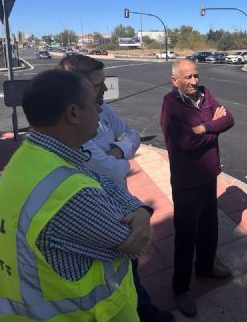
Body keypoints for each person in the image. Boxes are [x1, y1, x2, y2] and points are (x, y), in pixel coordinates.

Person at [0, 69, 152, 321]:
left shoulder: (33, 156)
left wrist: (140, 210)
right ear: (73, 113)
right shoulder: (69, 195)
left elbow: (104, 182)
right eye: (93, 103)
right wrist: (141, 216)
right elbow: (134, 243)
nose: (100, 110)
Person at [57, 54, 173, 322]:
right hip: (101, 208)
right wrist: (119, 159)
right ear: (79, 88)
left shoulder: (103, 110)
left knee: (129, 268)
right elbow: (111, 170)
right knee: (120, 264)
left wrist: (116, 152)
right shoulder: (72, 129)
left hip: (118, 198)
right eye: (99, 85)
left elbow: (132, 137)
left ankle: (142, 309)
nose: (105, 90)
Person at [160, 59, 234, 317]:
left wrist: (204, 127)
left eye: (195, 76)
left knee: (209, 226)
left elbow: (229, 119)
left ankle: (206, 267)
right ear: (175, 81)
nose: (193, 82)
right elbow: (186, 142)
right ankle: (181, 288)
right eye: (187, 77)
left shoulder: (206, 94)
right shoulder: (171, 104)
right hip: (186, 180)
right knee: (186, 234)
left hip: (208, 173)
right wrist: (213, 127)